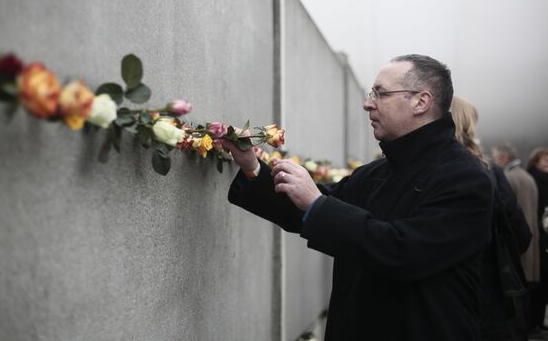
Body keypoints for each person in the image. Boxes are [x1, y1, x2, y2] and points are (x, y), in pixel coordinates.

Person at [222, 54, 494, 340]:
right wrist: (252, 166)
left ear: (421, 102)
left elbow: (402, 251)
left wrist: (317, 203)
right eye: (371, 93)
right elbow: (307, 212)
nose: (368, 103)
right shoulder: (379, 171)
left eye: (381, 93)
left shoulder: (466, 179)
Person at [451, 96, 531, 341]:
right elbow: (522, 235)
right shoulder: (489, 170)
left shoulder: (423, 169)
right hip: (488, 294)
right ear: (469, 125)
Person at [491, 143, 542, 330]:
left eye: (496, 157)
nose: (494, 160)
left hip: (516, 247)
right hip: (531, 241)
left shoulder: (510, 178)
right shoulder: (528, 176)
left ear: (504, 158)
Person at [528, 147, 548, 331]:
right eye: (545, 160)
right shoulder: (532, 179)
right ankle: (533, 322)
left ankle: (539, 321)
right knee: (538, 279)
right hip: (536, 235)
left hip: (544, 235)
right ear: (535, 161)